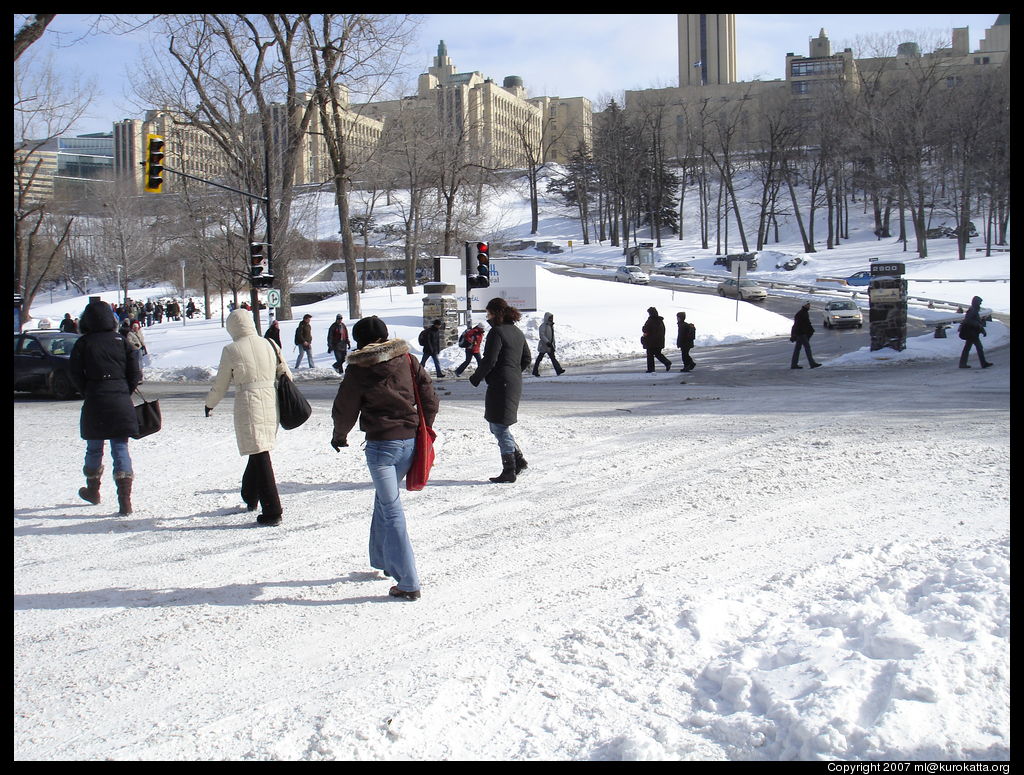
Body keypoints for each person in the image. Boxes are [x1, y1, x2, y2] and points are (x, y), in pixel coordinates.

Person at [331, 315, 439, 601]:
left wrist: (339, 435)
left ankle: (408, 582)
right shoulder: (407, 360)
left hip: (381, 448)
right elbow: (429, 397)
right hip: (410, 442)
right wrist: (422, 426)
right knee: (383, 500)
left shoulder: (358, 370)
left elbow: (345, 407)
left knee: (391, 509)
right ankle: (381, 560)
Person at [205, 308, 292, 526]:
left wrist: (209, 404)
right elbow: (286, 374)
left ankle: (273, 510)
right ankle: (250, 495)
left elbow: (221, 383)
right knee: (258, 448)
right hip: (271, 402)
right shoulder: (270, 344)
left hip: (248, 402)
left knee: (259, 452)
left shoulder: (231, 349)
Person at [67, 299, 143, 516]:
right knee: (120, 448)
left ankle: (93, 491)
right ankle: (125, 501)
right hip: (120, 400)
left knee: (94, 447)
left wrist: (87, 390)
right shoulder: (122, 341)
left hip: (95, 399)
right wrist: (123, 390)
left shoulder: (83, 343)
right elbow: (135, 372)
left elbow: (74, 373)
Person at [469, 298, 533, 483]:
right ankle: (518, 461)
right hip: (511, 383)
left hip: (501, 384)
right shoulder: (516, 332)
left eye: (488, 313)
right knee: (497, 424)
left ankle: (509, 470)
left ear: (496, 313)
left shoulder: (496, 332)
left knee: (499, 426)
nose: (487, 317)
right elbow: (527, 359)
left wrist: (476, 377)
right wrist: (512, 372)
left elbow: (490, 360)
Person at [958, 295, 993, 369]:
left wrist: (981, 329)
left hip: (972, 332)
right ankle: (983, 363)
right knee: (979, 347)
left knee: (967, 348)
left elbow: (975, 321)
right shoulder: (973, 310)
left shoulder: (974, 309)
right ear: (976, 303)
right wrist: (979, 327)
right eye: (979, 303)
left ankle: (962, 363)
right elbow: (969, 320)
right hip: (972, 333)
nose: (980, 304)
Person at [533, 312, 565, 376]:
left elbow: (552, 336)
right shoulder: (543, 326)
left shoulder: (550, 326)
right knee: (540, 358)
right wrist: (547, 342)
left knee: (552, 358)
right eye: (550, 318)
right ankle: (535, 371)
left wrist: (552, 344)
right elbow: (542, 335)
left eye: (552, 318)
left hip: (550, 346)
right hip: (544, 345)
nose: (551, 319)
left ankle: (558, 370)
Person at [790, 301, 822, 369]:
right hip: (802, 334)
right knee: (807, 348)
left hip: (801, 333)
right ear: (805, 305)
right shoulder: (802, 313)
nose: (809, 306)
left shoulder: (803, 312)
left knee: (797, 349)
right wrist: (794, 334)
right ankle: (812, 363)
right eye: (808, 304)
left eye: (809, 304)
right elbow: (797, 325)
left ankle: (794, 364)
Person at [642, 307, 672, 373]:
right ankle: (666, 362)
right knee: (658, 353)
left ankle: (651, 369)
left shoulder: (650, 321)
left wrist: (644, 328)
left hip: (651, 341)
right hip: (659, 341)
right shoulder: (660, 321)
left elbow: (645, 329)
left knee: (650, 355)